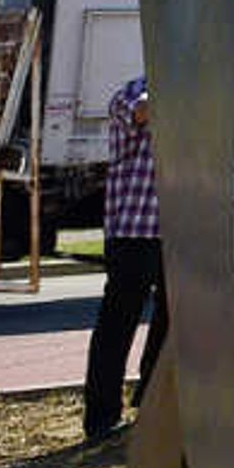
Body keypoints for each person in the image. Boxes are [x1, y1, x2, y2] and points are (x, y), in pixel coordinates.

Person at [82, 71, 167, 442]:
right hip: (135, 229)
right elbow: (144, 110)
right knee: (117, 326)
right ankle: (101, 417)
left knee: (171, 324)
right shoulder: (132, 92)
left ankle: (151, 402)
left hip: (179, 229)